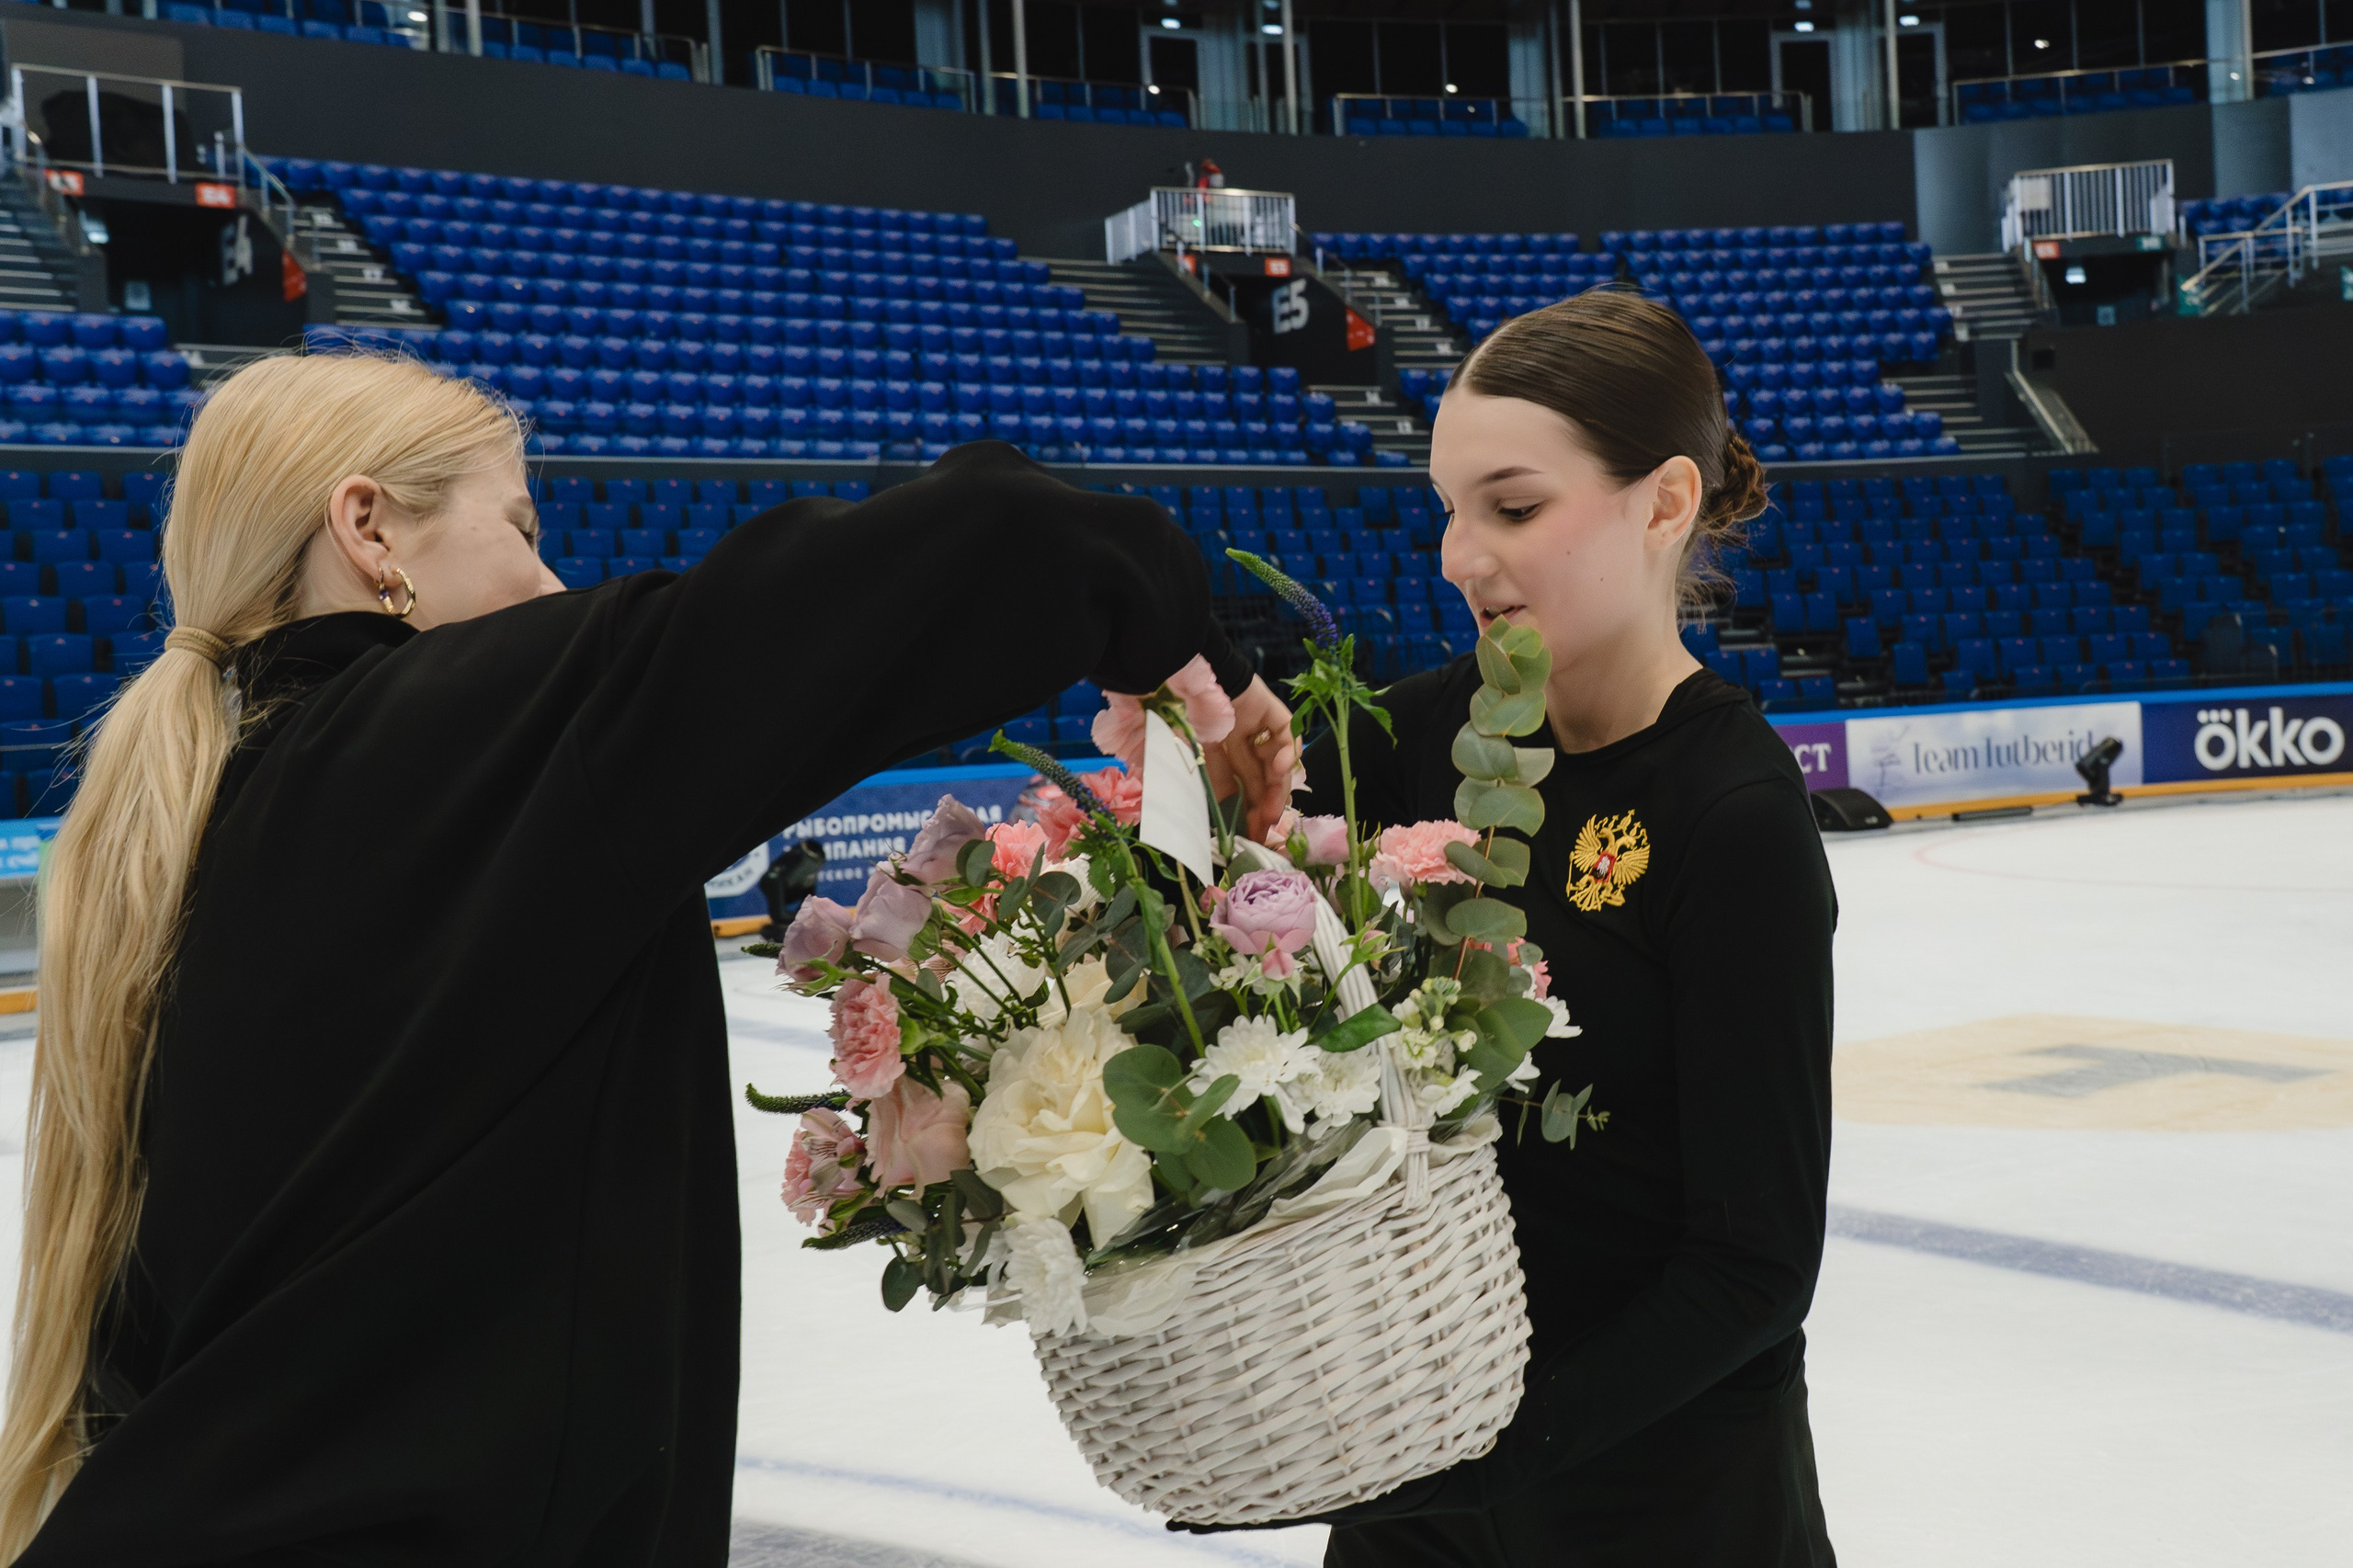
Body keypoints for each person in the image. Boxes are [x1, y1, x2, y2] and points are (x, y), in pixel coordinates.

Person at [0, 352, 1297, 1564]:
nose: (553, 585)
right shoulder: (459, 736)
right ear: (368, 528)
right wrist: (1179, 636)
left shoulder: (195, 834)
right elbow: (992, 542)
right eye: (520, 529)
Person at [1298, 290, 1837, 1565]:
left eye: (1513, 506)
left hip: (1664, 1503)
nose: (1456, 554)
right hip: (1417, 1495)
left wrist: (1503, 1448)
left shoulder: (1733, 815)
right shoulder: (1406, 738)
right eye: (1449, 505)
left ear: (1663, 503)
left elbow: (1754, 1264)